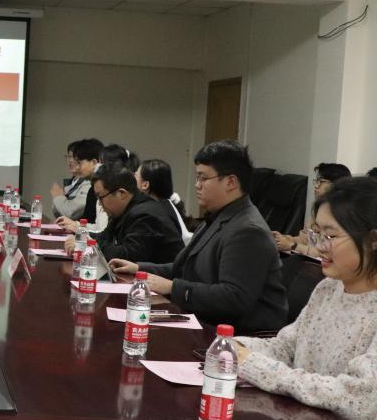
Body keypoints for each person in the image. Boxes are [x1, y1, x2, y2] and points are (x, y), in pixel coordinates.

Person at [235, 178, 377, 420]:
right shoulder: (328, 288)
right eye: (317, 234)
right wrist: (236, 347)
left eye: (330, 236)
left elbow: (361, 402)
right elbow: (286, 348)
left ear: (373, 239)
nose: (319, 247)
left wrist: (257, 367)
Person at [110, 140, 287, 334]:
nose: (197, 185)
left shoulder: (248, 230)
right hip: (205, 320)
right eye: (197, 177)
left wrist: (172, 287)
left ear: (231, 182)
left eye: (203, 178)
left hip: (239, 337)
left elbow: (234, 298)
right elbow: (184, 267)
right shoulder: (218, 216)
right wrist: (139, 269)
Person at [65, 163, 183, 265]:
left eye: (101, 197)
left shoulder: (145, 215)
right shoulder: (125, 209)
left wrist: (86, 244)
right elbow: (105, 237)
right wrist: (81, 237)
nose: (100, 204)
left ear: (122, 193)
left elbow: (127, 256)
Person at [272, 162, 351, 255]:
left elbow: (326, 254)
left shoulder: (342, 216)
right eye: (316, 181)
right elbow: (304, 239)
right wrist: (283, 239)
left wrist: (293, 246)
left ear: (336, 184)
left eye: (321, 181)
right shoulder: (319, 210)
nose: (316, 186)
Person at [136, 158, 193, 244]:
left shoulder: (152, 213)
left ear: (145, 185)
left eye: (135, 175)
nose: (132, 178)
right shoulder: (167, 204)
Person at [51, 138, 102, 220]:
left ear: (94, 162)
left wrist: (58, 197)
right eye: (69, 157)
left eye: (79, 162)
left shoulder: (95, 186)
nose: (77, 167)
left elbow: (70, 213)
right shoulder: (77, 182)